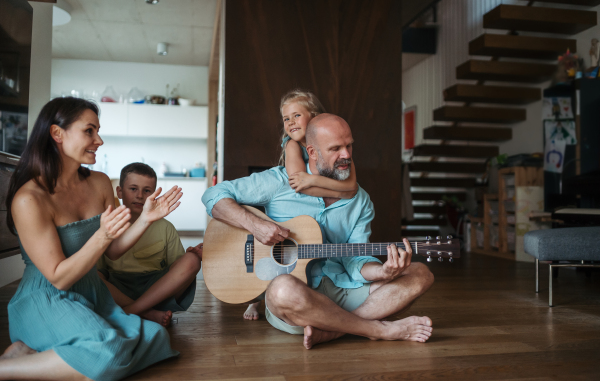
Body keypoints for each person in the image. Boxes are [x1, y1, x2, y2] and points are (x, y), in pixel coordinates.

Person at [203, 113, 434, 350]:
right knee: (282, 290)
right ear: (312, 152)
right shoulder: (280, 182)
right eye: (335, 148)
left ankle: (333, 330)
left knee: (420, 274)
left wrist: (383, 271)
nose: (346, 155)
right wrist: (255, 225)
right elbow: (213, 196)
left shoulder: (360, 200)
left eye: (349, 146)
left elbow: (354, 259)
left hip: (342, 288)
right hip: (298, 298)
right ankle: (377, 329)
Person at [0, 97, 182, 380]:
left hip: (92, 291)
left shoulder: (99, 182)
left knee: (157, 337)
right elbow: (59, 277)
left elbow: (113, 251)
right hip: (47, 296)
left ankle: (32, 354)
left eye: (98, 131)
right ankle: (7, 369)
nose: (99, 140)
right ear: (57, 134)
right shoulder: (30, 199)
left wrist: (145, 218)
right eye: (89, 131)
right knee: (108, 351)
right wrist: (102, 234)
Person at [244, 89, 358, 321]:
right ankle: (254, 301)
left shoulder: (338, 146)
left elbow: (353, 186)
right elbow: (300, 184)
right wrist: (335, 188)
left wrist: (315, 179)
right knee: (272, 255)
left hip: (313, 187)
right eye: (286, 118)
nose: (290, 122)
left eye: (296, 115)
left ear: (314, 116)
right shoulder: (292, 145)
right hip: (297, 198)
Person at [97, 163, 202, 327]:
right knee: (89, 274)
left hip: (155, 291)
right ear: (119, 191)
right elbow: (99, 271)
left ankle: (131, 311)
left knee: (192, 260)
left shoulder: (165, 227)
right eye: (133, 189)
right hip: (118, 288)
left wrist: (191, 254)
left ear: (154, 194)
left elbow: (177, 269)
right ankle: (146, 313)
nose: (139, 195)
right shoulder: (108, 224)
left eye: (146, 191)